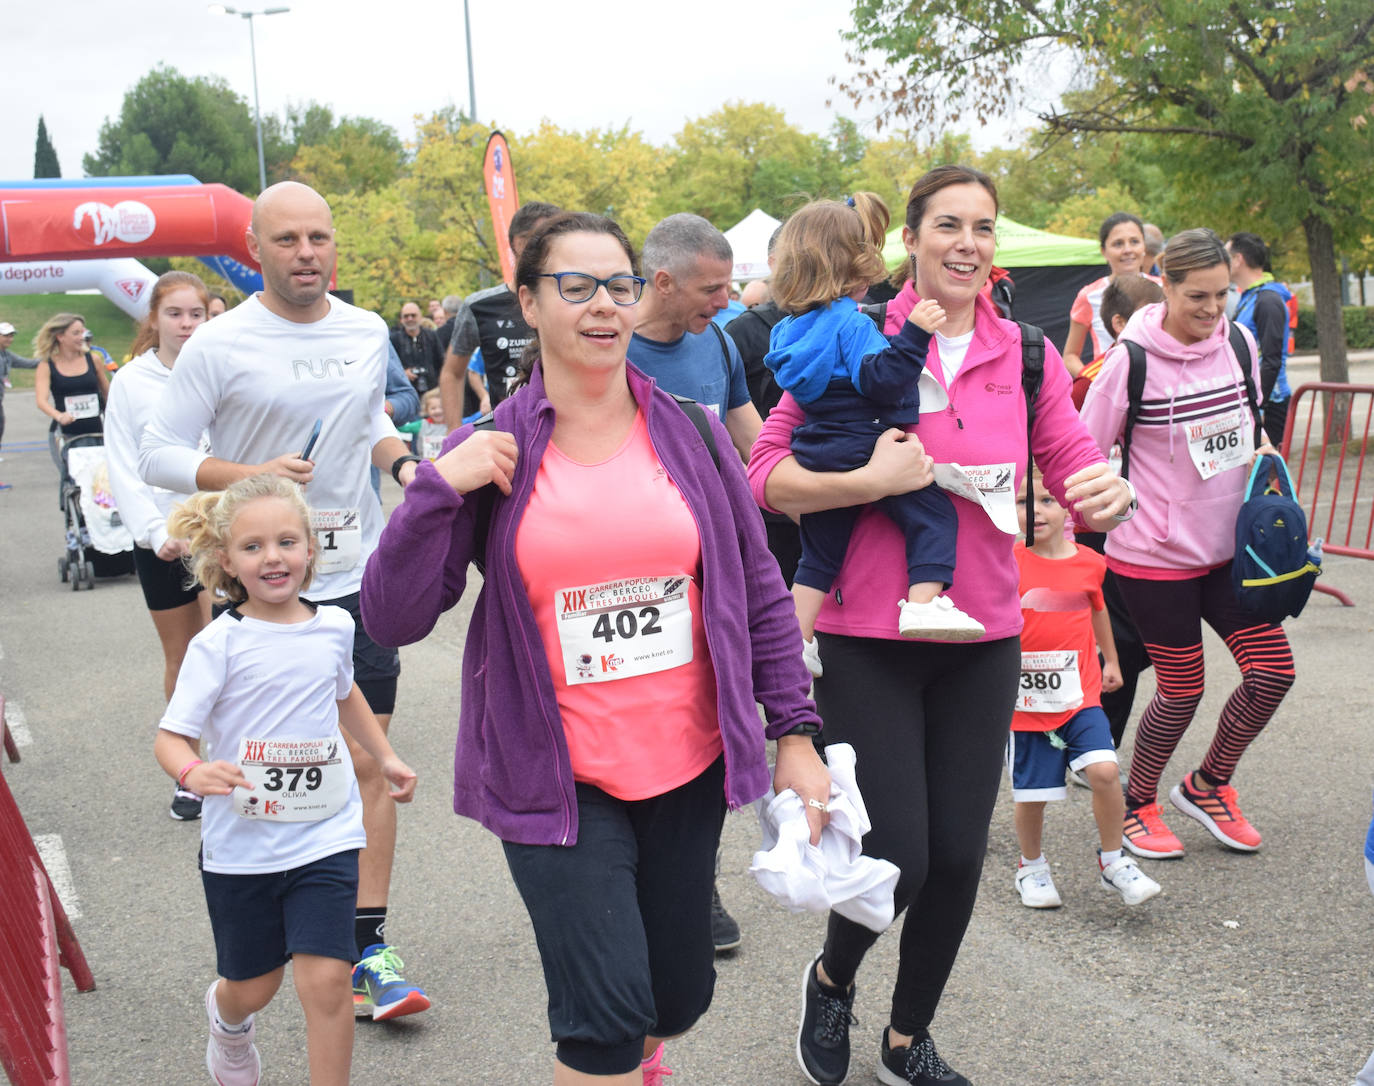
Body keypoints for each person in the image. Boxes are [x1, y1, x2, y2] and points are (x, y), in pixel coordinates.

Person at [360, 211, 830, 1085]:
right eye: (574, 288)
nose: (602, 306)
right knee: (605, 1022)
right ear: (529, 306)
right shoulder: (492, 450)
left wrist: (793, 732)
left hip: (684, 763)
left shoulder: (688, 432)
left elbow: (758, 585)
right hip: (554, 775)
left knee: (676, 998)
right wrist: (434, 488)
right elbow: (391, 619)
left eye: (617, 285)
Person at [747, 164, 1134, 1086]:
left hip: (983, 631)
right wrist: (863, 485)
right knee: (900, 855)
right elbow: (764, 470)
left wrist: (1104, 492)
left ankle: (905, 1037)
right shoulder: (853, 335)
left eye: (985, 228)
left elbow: (1074, 456)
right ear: (909, 243)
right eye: (949, 225)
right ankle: (834, 979)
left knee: (960, 857)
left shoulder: (1027, 352)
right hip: (869, 634)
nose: (969, 242)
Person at [138, 180, 431, 1020]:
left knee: (374, 764)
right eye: (289, 240)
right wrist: (251, 481)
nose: (308, 253)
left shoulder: (366, 328)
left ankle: (366, 948)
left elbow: (367, 413)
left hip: (354, 577)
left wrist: (404, 464)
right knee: (280, 770)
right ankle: (269, 933)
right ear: (255, 251)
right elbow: (161, 450)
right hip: (265, 593)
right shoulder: (222, 343)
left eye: (320, 237)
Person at [154, 474, 417, 1086]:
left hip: (325, 834)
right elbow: (171, 738)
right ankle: (228, 1021)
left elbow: (344, 691)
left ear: (309, 549)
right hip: (243, 845)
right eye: (253, 547)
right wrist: (193, 771)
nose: (273, 557)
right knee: (254, 985)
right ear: (227, 561)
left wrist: (384, 756)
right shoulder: (218, 644)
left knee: (327, 979)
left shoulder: (334, 627)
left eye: (286, 542)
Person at [1080, 228, 1296, 861]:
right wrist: (1094, 517)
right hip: (1154, 557)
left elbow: (1249, 423)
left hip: (1230, 551)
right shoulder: (1129, 361)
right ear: (1165, 285)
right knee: (1182, 689)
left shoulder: (1238, 339)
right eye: (1196, 297)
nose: (1211, 310)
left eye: (1222, 295)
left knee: (1273, 672)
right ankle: (1138, 803)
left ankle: (1207, 786)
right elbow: (1086, 454)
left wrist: (1265, 462)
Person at [764, 194, 984, 679]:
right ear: (856, 273)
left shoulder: (786, 329)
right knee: (932, 516)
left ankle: (795, 642)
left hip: (818, 446)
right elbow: (883, 379)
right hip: (865, 441)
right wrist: (915, 336)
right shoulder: (851, 323)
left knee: (819, 554)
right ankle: (924, 602)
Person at [1009, 470, 1161, 909]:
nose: (1036, 511)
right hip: (1026, 705)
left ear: (1069, 511)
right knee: (1033, 794)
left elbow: (1097, 611)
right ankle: (1031, 867)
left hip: (1081, 696)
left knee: (1105, 772)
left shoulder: (1091, 563)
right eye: (1024, 501)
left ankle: (1114, 862)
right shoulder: (1007, 562)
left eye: (1047, 501)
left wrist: (1111, 660)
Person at [104, 271, 215, 820]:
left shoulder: (219, 368)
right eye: (175, 314)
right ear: (154, 319)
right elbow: (123, 465)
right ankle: (189, 770)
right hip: (163, 537)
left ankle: (244, 760)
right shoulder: (131, 383)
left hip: (221, 533)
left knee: (233, 650)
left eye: (196, 314)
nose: (187, 324)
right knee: (186, 655)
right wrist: (154, 533)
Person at [630, 213, 762, 462]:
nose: (724, 303)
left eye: (726, 287)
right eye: (710, 289)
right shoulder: (610, 352)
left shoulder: (720, 344)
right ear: (664, 283)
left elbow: (757, 451)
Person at [439, 202, 563, 427]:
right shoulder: (480, 306)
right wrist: (454, 435)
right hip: (506, 439)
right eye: (548, 238)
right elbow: (452, 373)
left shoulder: (575, 300)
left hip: (567, 433)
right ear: (519, 243)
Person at [1062, 213, 1157, 378]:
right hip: (1111, 394)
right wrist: (1094, 380)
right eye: (1118, 244)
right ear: (1104, 251)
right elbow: (1070, 356)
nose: (1128, 250)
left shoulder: (1163, 287)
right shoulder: (1089, 295)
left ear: (1144, 247)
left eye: (1134, 241)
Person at [1227, 232, 1295, 448]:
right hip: (1253, 401)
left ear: (1238, 260)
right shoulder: (1249, 297)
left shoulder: (1268, 300)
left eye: (1225, 255)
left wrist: (1258, 406)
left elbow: (1272, 359)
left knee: (1269, 476)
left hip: (1269, 404)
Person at [33, 312, 109, 439]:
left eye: (82, 333)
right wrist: (59, 416)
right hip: (66, 434)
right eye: (76, 333)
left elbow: (108, 392)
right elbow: (41, 401)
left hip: (98, 431)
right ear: (60, 337)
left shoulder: (93, 359)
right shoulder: (46, 365)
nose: (81, 337)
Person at [0, 320, 39, 464]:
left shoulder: (6, 355)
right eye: (6, 336)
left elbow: (28, 363)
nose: (10, 339)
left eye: (11, 336)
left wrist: (49, 359)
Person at [391, 301, 445, 394]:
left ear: (420, 317)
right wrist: (403, 372)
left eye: (413, 315)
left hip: (431, 389)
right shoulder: (395, 339)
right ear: (401, 319)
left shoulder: (431, 336)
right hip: (406, 390)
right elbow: (390, 365)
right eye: (406, 316)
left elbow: (441, 360)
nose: (410, 318)